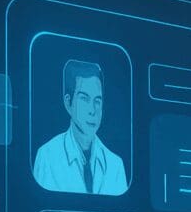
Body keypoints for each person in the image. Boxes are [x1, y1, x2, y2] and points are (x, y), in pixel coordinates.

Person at [33, 59, 127, 195]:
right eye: (84, 99)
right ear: (68, 103)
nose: (92, 110)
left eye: (97, 101)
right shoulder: (47, 157)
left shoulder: (115, 165)